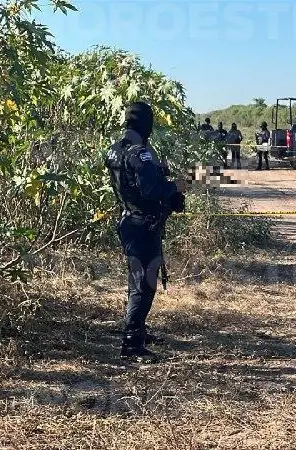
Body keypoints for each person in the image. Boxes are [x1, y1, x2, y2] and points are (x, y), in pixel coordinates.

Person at [105, 101, 188, 361]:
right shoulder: (140, 152)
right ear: (146, 124)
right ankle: (132, 345)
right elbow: (151, 190)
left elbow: (133, 182)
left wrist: (159, 174)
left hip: (129, 220)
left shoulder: (115, 150)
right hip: (143, 225)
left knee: (137, 280)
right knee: (144, 284)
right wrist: (176, 186)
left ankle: (138, 331)